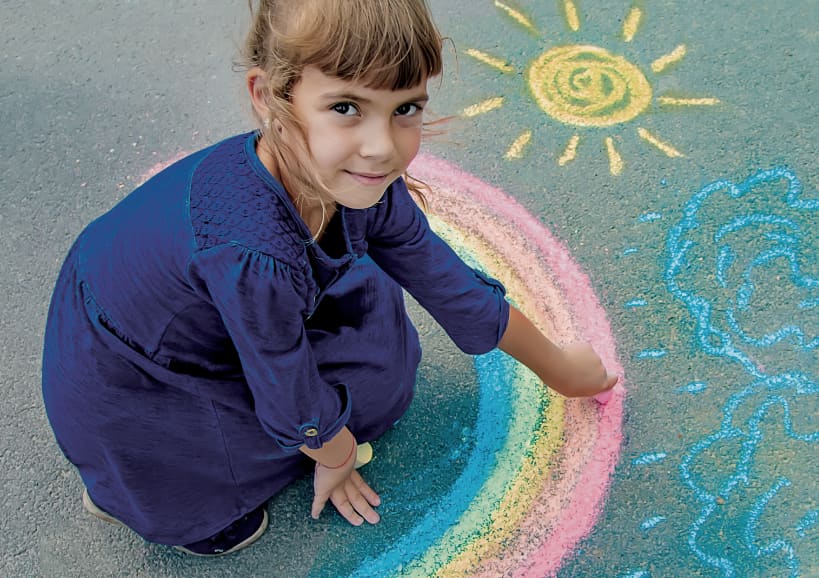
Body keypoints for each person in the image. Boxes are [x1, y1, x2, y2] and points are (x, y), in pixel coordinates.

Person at [41, 0, 617, 558]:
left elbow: (452, 288)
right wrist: (335, 452)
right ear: (268, 97)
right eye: (346, 108)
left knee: (380, 369)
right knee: (218, 477)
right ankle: (149, 501)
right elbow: (289, 394)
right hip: (128, 373)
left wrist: (559, 367)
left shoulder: (352, 185)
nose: (382, 147)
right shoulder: (251, 254)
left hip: (207, 311)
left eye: (406, 108)